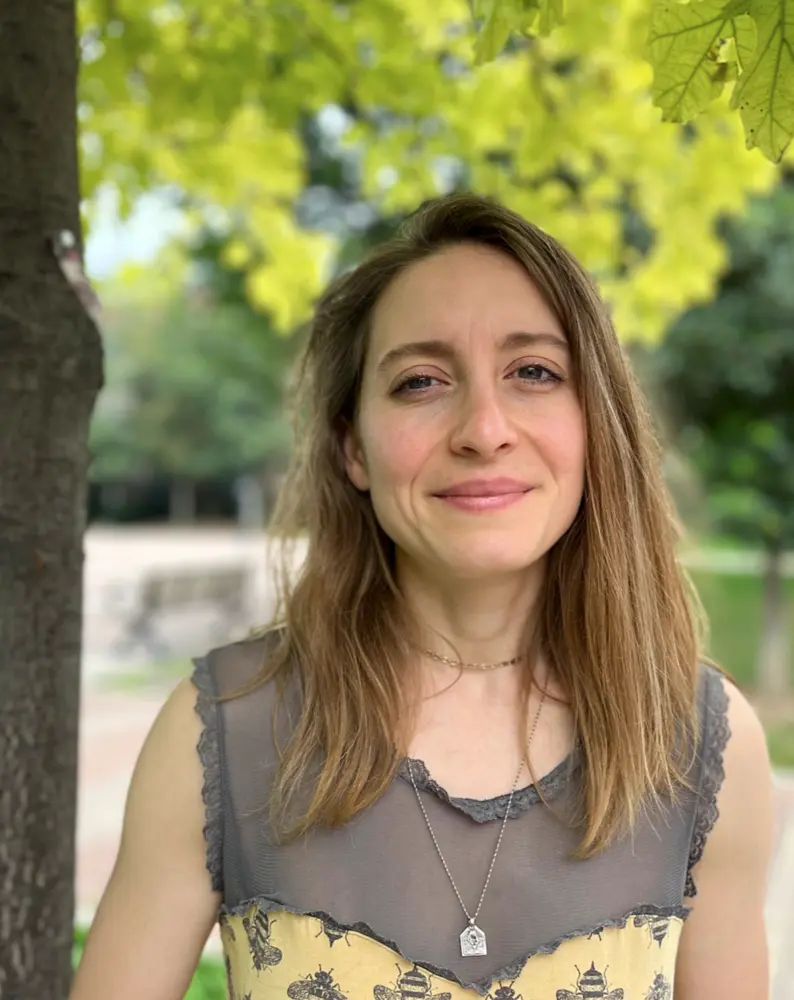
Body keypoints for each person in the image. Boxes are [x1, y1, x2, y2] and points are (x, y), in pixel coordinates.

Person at [70, 194, 774, 1000]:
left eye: (534, 372)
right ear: (353, 448)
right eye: (420, 382)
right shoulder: (224, 732)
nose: (483, 428)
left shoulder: (704, 746)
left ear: (596, 425)